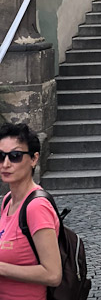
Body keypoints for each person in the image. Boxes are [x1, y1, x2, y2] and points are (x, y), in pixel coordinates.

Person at [0, 122, 62, 300]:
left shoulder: (36, 207)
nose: (5, 163)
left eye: (15, 156)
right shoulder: (8, 200)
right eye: (0, 156)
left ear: (34, 159)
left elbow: (53, 275)